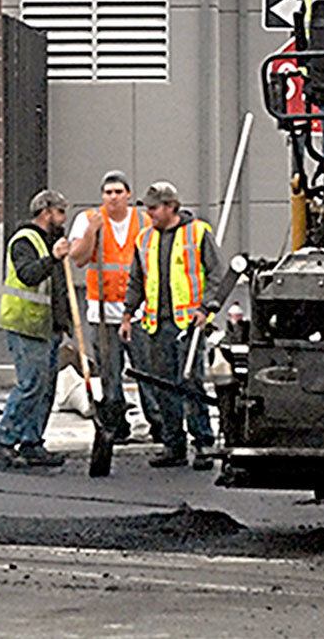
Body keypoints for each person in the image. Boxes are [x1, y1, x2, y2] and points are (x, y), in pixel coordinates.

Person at [118, 181, 223, 470]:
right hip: (156, 324)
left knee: (191, 383)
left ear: (171, 206)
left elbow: (217, 275)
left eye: (153, 208)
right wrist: (127, 315)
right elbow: (137, 281)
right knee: (164, 386)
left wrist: (207, 309)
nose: (149, 213)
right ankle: (173, 444)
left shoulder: (198, 233)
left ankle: (203, 444)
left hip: (189, 324)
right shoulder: (145, 239)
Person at [67, 170, 159, 444]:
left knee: (148, 370)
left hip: (140, 311)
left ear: (128, 195)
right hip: (103, 312)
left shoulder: (144, 220)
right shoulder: (87, 220)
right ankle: (116, 424)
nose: (113, 197)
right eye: (108, 192)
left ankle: (159, 423)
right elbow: (79, 258)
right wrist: (92, 233)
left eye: (118, 192)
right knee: (110, 373)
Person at [0, 189, 71, 468]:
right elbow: (28, 275)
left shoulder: (51, 241)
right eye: (60, 212)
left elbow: (58, 287)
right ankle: (2, 437)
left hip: (47, 326)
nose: (64, 218)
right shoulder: (24, 240)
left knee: (46, 389)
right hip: (26, 325)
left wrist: (65, 321)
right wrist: (54, 258)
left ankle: (32, 441)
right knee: (31, 385)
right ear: (46, 212)